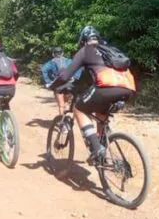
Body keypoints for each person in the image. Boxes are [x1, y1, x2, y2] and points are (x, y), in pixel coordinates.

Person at [47, 26, 136, 164]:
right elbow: (85, 78)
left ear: (82, 41)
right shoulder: (109, 51)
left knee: (78, 109)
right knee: (101, 116)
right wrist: (75, 86)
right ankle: (102, 154)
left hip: (106, 88)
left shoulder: (85, 51)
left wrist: (54, 86)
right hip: (128, 89)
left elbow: (65, 76)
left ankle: (97, 149)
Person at [41, 46, 82, 117]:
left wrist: (48, 82)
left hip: (58, 85)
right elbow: (79, 67)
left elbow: (44, 70)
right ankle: (67, 120)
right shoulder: (69, 61)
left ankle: (62, 122)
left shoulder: (51, 62)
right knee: (66, 103)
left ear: (53, 54)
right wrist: (75, 77)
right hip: (69, 84)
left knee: (61, 106)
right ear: (62, 53)